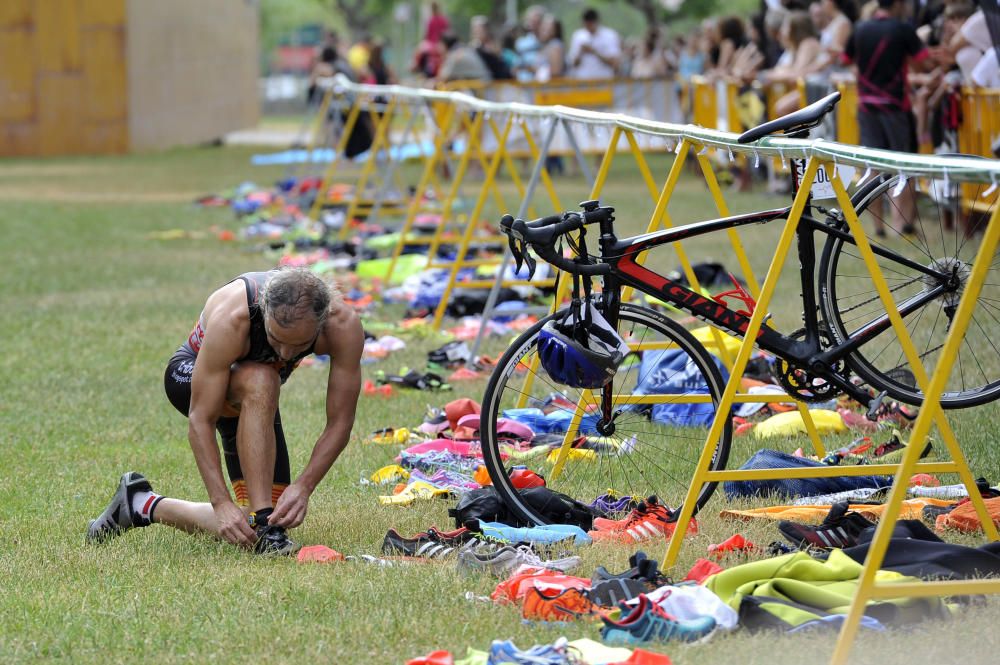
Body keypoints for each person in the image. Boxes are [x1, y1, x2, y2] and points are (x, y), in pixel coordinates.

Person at [86, 268, 364, 555]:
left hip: (254, 400)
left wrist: (304, 486)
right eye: (275, 339)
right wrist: (220, 503)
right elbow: (201, 419)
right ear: (263, 311)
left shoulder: (343, 326)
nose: (283, 354)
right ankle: (266, 526)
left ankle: (141, 503)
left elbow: (341, 422)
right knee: (263, 377)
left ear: (322, 321)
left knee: (254, 523)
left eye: (299, 346)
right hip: (191, 379)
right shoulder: (234, 318)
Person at [843, 0, 935, 236]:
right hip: (896, 106)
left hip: (867, 107)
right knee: (904, 164)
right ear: (897, 4)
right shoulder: (902, 29)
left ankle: (878, 227)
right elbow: (922, 62)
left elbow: (846, 60)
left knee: (872, 167)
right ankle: (903, 224)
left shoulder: (860, 28)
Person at [567, 7, 622, 79]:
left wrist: (594, 52)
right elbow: (573, 64)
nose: (588, 27)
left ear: (597, 22)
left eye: (590, 24)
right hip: (582, 82)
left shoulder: (610, 35)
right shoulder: (578, 36)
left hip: (603, 81)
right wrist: (581, 52)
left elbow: (615, 63)